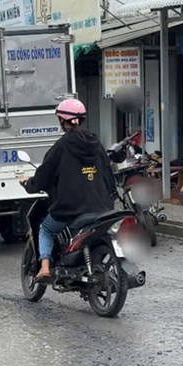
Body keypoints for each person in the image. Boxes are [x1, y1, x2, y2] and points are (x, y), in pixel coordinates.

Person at [19, 98, 116, 282]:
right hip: (102, 207)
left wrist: (29, 184)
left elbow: (44, 175)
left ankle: (45, 267)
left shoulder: (62, 146)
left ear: (62, 120)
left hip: (70, 208)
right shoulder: (97, 145)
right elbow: (109, 174)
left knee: (45, 228)